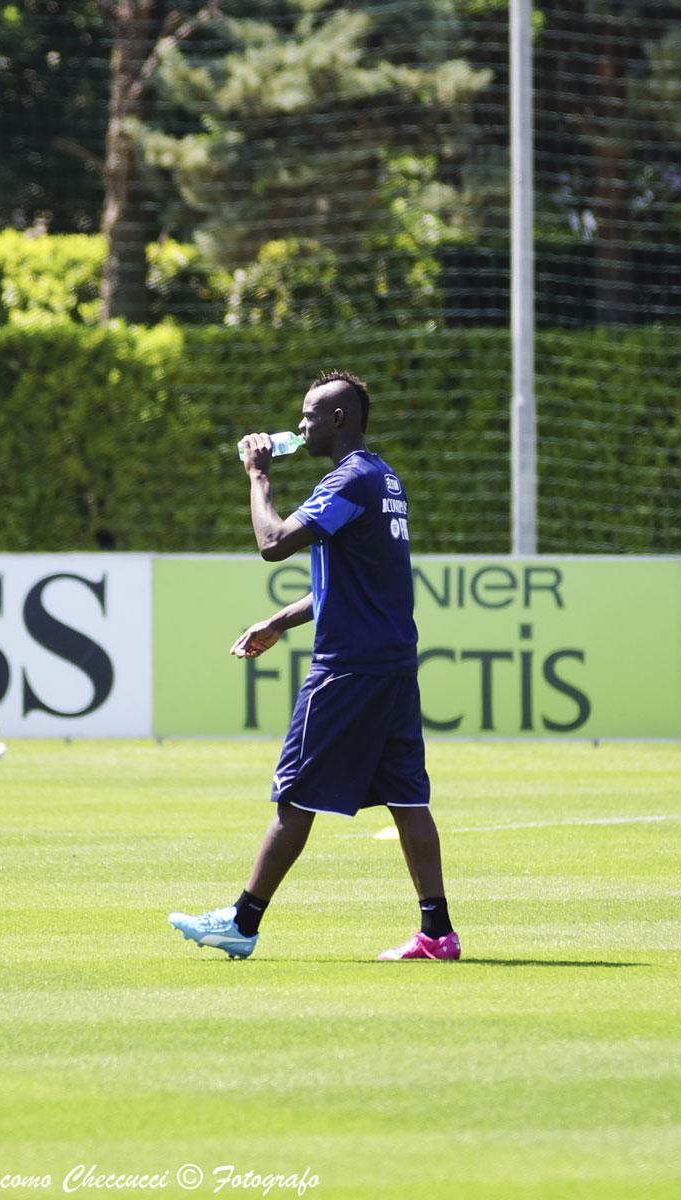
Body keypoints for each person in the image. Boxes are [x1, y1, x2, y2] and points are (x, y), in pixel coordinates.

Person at [169, 370, 460, 962]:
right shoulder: (384, 478)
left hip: (348, 669)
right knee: (407, 799)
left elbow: (272, 543)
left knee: (295, 794)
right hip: (392, 664)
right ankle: (437, 934)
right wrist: (279, 621)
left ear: (338, 420)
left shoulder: (349, 481)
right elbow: (358, 583)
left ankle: (242, 922)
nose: (298, 425)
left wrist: (257, 476)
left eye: (309, 415)